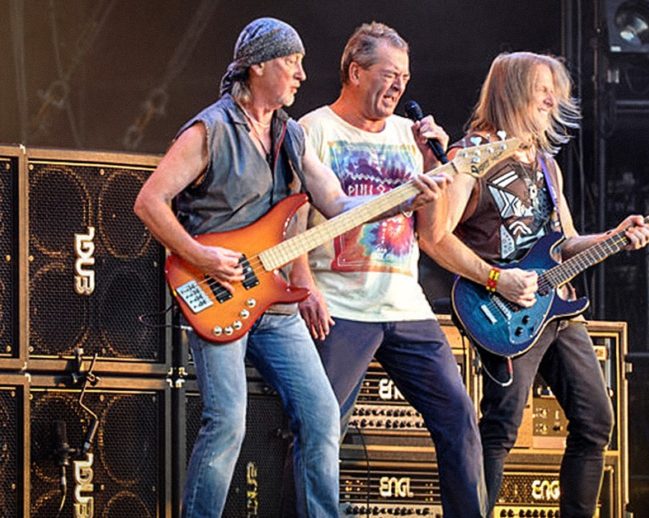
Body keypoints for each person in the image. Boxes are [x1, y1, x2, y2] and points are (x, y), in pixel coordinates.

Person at [133, 18, 445, 517]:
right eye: (291, 62)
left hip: (274, 301)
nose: (302, 74)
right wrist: (200, 255)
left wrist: (402, 199)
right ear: (258, 66)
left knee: (322, 415)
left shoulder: (291, 134)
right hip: (216, 289)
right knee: (227, 420)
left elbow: (336, 204)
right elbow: (150, 201)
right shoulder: (210, 129)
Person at [419, 51, 649, 517]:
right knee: (502, 426)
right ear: (512, 93)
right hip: (502, 310)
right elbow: (435, 236)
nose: (553, 100)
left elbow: (564, 242)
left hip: (557, 307)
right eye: (542, 90)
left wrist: (614, 237)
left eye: (555, 91)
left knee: (596, 420)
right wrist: (497, 279)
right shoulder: (472, 156)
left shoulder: (547, 165)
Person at [291, 22, 486, 516]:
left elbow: (431, 232)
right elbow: (290, 221)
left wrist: (433, 163)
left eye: (405, 76)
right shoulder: (315, 130)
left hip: (405, 305)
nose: (399, 85)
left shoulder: (408, 135)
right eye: (388, 73)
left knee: (459, 418)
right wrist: (304, 286)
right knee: (321, 428)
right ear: (356, 72)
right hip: (341, 306)